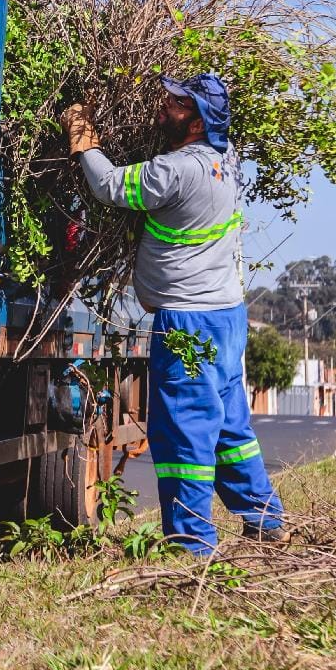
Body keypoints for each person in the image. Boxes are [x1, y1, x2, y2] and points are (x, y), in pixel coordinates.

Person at [61, 75, 287, 554]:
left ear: (198, 120)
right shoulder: (228, 162)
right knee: (229, 427)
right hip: (226, 316)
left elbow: (107, 186)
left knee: (184, 431)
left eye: (177, 102)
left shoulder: (178, 171)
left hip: (189, 324)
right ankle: (264, 518)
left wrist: (85, 140)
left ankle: (192, 543)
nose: (164, 104)